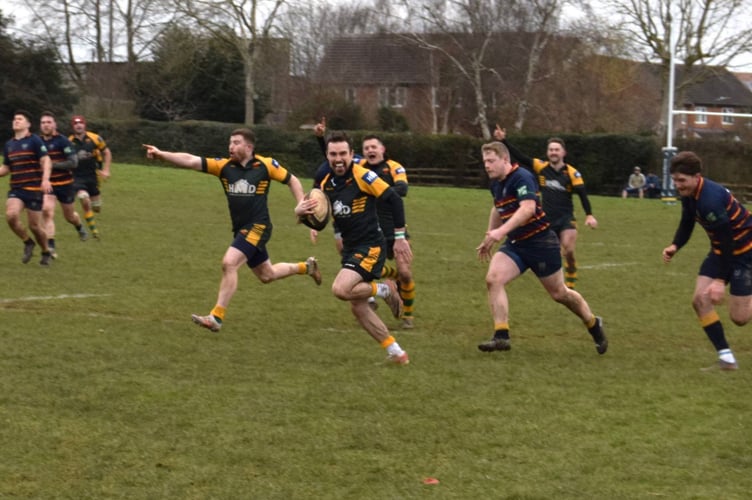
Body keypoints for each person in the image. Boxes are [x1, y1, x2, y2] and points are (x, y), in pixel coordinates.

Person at [143, 128, 322, 332]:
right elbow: (191, 160)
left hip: (259, 227)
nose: (231, 147)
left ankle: (216, 317)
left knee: (229, 263)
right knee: (267, 275)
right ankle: (307, 267)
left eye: (236, 142)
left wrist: (301, 206)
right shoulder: (223, 166)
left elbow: (292, 180)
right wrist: (161, 154)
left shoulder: (265, 165)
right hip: (241, 230)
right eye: (230, 142)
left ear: (249, 147)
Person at [476, 141, 607, 355]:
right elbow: (498, 208)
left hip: (541, 243)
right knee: (494, 279)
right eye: (485, 162)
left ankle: (593, 323)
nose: (487, 166)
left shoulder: (523, 177)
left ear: (505, 160)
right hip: (516, 244)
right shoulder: (496, 183)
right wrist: (489, 235)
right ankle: (501, 336)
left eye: (491, 161)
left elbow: (527, 209)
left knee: (559, 294)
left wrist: (500, 232)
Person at [316, 131, 410, 364]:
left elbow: (394, 199)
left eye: (343, 154)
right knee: (358, 308)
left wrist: (399, 237)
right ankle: (397, 353)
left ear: (351, 154)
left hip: (370, 245)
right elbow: (319, 211)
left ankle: (384, 289)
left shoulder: (363, 176)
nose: (338, 159)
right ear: (327, 155)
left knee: (340, 289)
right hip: (351, 247)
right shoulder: (327, 182)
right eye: (333, 154)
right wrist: (305, 216)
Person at [662, 151, 752, 371]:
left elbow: (728, 240)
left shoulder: (709, 201)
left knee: (739, 318)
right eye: (675, 180)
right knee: (700, 300)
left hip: (745, 252)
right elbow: (687, 221)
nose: (678, 185)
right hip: (722, 250)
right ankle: (727, 359)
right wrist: (675, 245)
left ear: (697, 177)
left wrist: (721, 281)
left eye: (682, 180)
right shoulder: (690, 194)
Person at [493, 125, 597, 289]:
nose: (553, 152)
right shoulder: (541, 167)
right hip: (546, 219)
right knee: (553, 252)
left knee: (568, 249)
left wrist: (589, 215)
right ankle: (557, 280)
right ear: (548, 153)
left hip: (566, 219)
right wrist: (504, 141)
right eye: (551, 150)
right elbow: (521, 157)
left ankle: (571, 271)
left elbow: (582, 194)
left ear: (563, 153)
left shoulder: (572, 173)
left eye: (557, 149)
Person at [0, 110, 54, 266]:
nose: (16, 121)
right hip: (16, 189)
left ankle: (45, 251)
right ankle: (27, 242)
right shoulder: (9, 144)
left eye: (20, 119)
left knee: (35, 226)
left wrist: (45, 180)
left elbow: (46, 160)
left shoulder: (35, 140)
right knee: (11, 215)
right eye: (14, 119)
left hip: (34, 189)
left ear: (28, 124)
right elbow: (5, 168)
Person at [39, 111, 89, 257]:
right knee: (47, 211)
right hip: (48, 184)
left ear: (54, 124)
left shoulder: (63, 141)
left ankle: (79, 226)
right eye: (43, 123)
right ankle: (51, 246)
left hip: (65, 184)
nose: (46, 125)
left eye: (49, 122)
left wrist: (51, 165)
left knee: (70, 216)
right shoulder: (37, 142)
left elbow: (73, 163)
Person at [69, 115, 112, 238]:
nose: (78, 125)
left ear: (84, 125)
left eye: (80, 123)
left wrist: (106, 169)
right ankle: (94, 232)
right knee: (83, 197)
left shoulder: (95, 138)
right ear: (73, 127)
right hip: (77, 177)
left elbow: (107, 152)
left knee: (97, 207)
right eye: (76, 123)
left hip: (93, 177)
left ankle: (91, 219)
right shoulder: (68, 142)